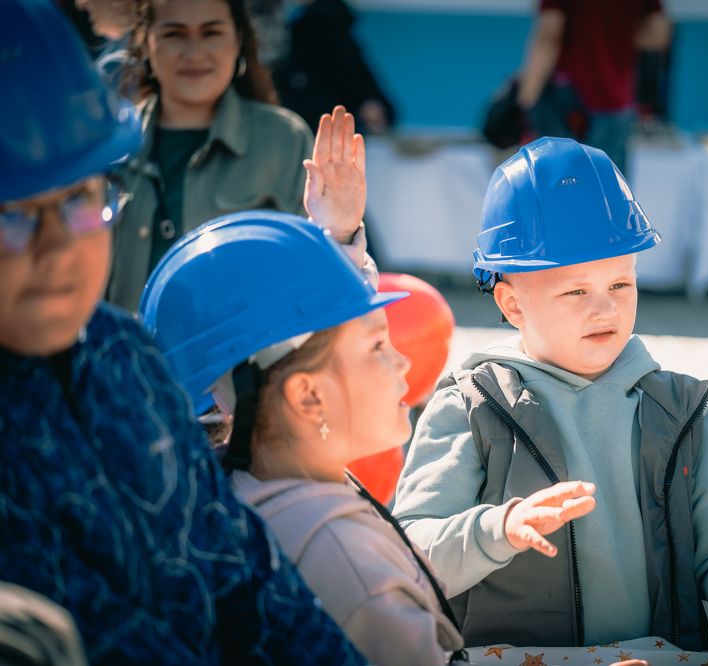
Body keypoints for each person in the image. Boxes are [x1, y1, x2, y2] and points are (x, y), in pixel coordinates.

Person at [0, 0, 365, 663]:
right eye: (12, 215)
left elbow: (246, 575)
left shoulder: (122, 358)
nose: (58, 249)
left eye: (78, 200)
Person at [392, 137, 708, 664]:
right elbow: (409, 556)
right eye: (576, 291)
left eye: (621, 285)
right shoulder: (469, 407)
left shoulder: (677, 408)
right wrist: (497, 530)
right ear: (512, 304)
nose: (605, 309)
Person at [139, 112, 466, 666]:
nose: (404, 360)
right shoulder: (347, 566)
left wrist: (336, 239)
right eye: (378, 346)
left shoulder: (246, 489)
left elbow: (294, 340)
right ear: (308, 398)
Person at [107, 0, 314, 311]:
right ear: (145, 43)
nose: (194, 53)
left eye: (211, 33)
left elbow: (314, 276)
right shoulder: (108, 147)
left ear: (238, 40)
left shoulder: (285, 140)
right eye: (174, 34)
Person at [516, 0, 670, 174]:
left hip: (569, 99)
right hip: (616, 100)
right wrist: (619, 36)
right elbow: (659, 33)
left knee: (560, 182)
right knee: (609, 184)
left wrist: (525, 99)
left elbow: (549, 35)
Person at [276, 0, 396, 135]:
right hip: (331, 110)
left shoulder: (321, 20)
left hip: (324, 112)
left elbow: (346, 66)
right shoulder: (327, 18)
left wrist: (366, 99)